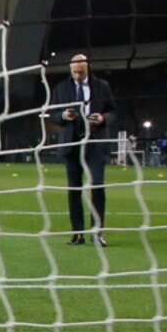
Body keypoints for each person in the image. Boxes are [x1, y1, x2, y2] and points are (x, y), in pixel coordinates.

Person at [51, 53, 115, 246]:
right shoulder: (61, 88)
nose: (77, 76)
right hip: (72, 145)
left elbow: (113, 111)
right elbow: (53, 114)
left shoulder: (102, 86)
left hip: (95, 144)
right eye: (74, 72)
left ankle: (98, 233)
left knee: (97, 187)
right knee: (74, 190)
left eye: (81, 72)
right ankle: (77, 234)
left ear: (88, 69)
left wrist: (103, 118)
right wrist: (62, 115)